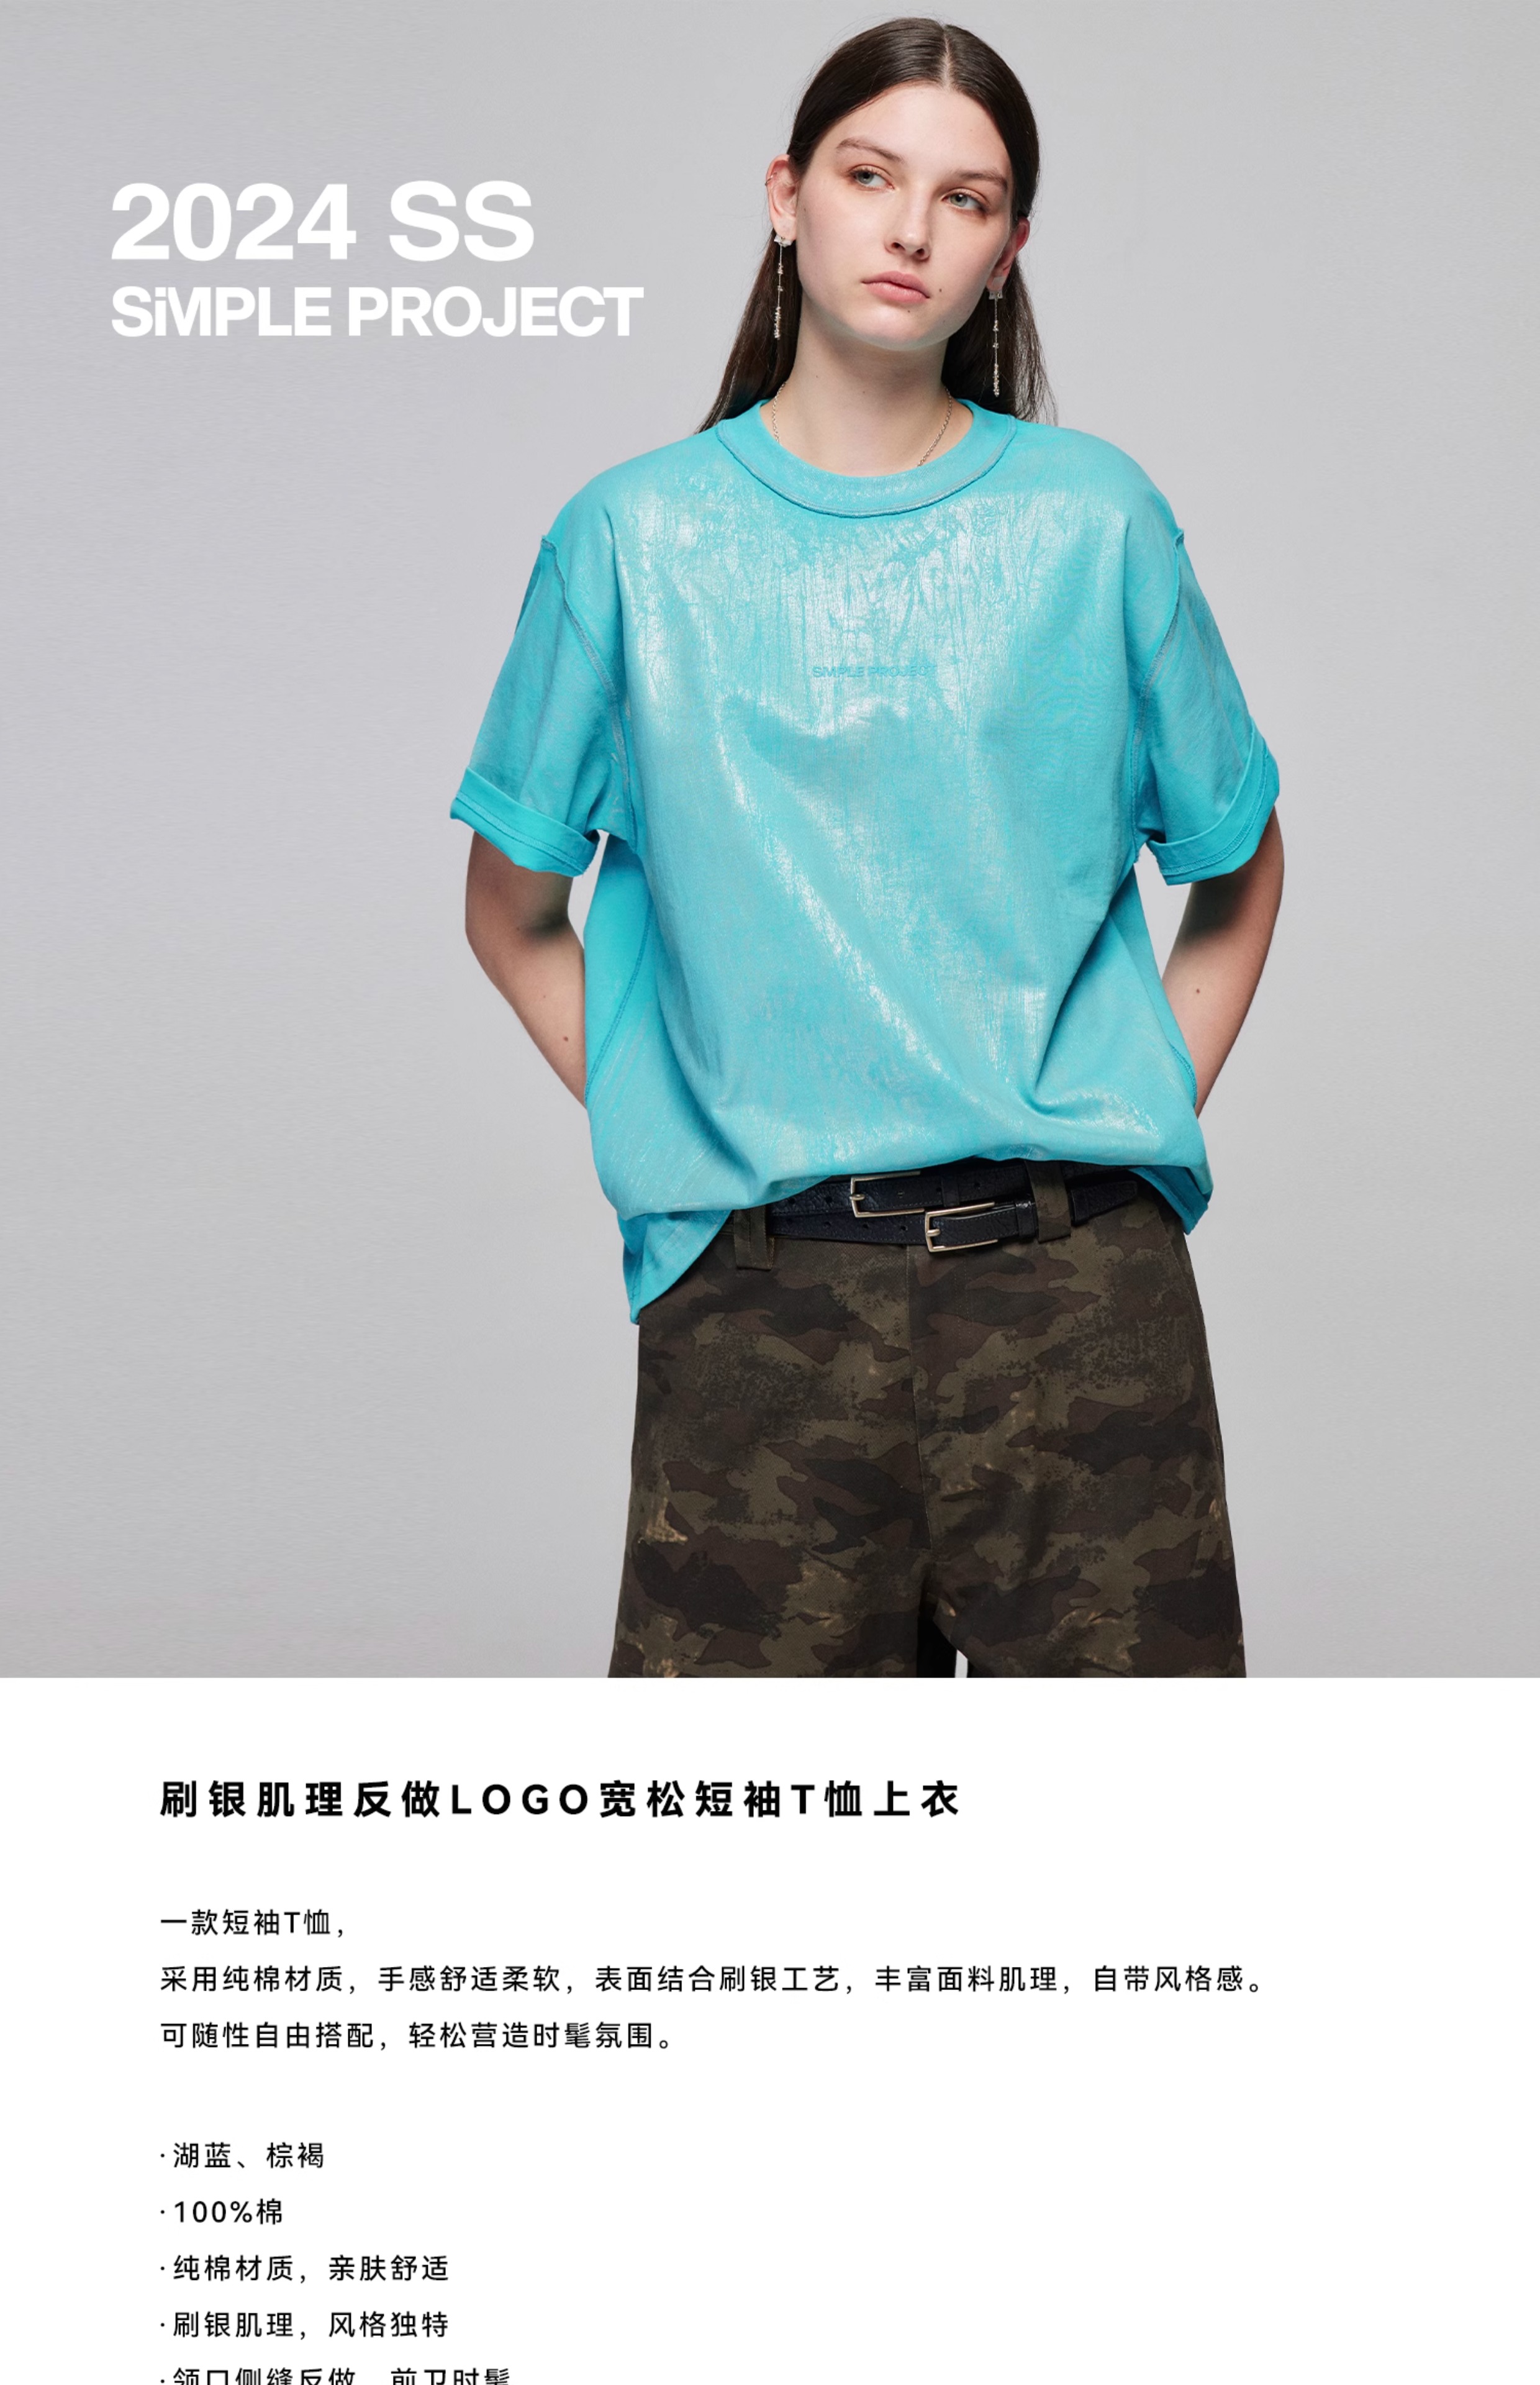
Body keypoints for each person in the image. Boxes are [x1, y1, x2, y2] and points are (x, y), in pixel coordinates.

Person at [451, 17, 1284, 1679]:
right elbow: (511, 910)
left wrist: (1128, 1102)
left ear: (1009, 248)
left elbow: (1239, 860)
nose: (911, 229)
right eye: (868, 176)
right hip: (760, 1315)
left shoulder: (1096, 519)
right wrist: (677, 1115)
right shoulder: (630, 540)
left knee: (1150, 1833)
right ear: (787, 197)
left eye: (965, 198)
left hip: (1079, 1311)